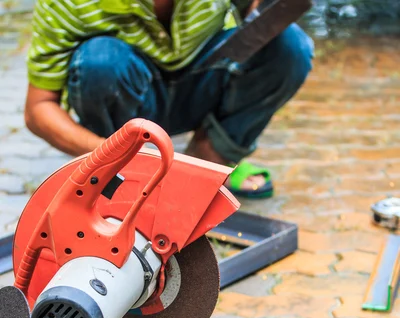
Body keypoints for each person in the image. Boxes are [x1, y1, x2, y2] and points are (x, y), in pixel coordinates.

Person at [24, 0, 313, 199]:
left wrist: (267, 8)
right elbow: (38, 110)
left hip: (201, 78)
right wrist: (108, 154)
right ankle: (125, 176)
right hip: (125, 97)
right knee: (99, 63)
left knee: (289, 46)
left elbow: (255, 12)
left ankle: (209, 163)